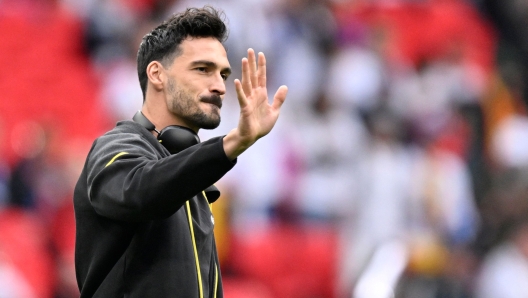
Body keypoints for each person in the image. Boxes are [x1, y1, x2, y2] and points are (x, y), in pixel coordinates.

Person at [73, 6, 288, 298]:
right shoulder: (116, 146)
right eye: (202, 69)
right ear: (157, 74)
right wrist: (231, 144)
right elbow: (140, 190)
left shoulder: (193, 181)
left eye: (223, 74)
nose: (218, 86)